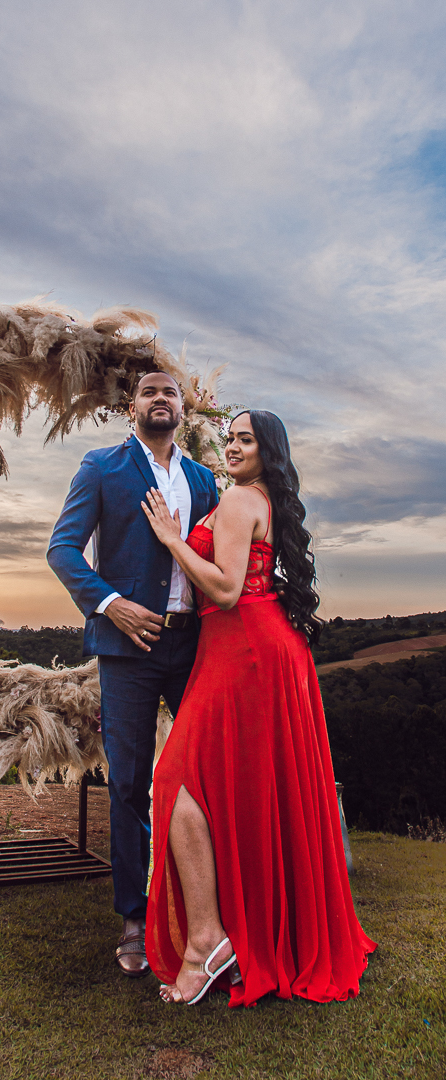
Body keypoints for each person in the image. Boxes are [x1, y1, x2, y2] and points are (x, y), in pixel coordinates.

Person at [141, 409, 376, 1006]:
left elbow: (222, 586)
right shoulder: (262, 499)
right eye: (230, 438)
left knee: (174, 777)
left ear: (268, 449)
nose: (233, 447)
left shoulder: (245, 499)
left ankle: (207, 944)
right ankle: (234, 935)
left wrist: (172, 540)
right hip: (262, 648)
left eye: (246, 438)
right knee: (248, 788)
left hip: (243, 646)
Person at [47, 371, 218, 976]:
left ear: (182, 407)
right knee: (127, 783)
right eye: (149, 392)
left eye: (170, 392)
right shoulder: (101, 467)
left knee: (206, 778)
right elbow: (62, 549)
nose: (161, 399)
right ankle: (134, 917)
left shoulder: (203, 479)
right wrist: (109, 603)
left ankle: (208, 914)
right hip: (128, 653)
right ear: (132, 407)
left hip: (195, 646)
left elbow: (221, 560)